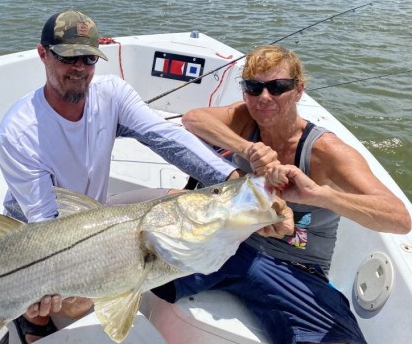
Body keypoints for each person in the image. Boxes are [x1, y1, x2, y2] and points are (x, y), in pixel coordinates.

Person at [0, 10, 290, 343]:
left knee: (178, 204)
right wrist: (57, 284)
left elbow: (165, 137)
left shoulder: (111, 93)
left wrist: (234, 180)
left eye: (88, 58)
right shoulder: (19, 132)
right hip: (35, 236)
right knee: (74, 302)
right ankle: (32, 323)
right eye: (67, 57)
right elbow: (46, 226)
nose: (79, 69)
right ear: (42, 54)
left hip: (93, 211)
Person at [152, 45, 411, 344]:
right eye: (253, 87)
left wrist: (321, 195)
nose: (264, 98)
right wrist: (248, 148)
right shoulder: (246, 119)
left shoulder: (326, 151)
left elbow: (399, 218)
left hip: (294, 269)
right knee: (134, 266)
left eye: (278, 87)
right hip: (228, 242)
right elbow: (194, 119)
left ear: (299, 90)